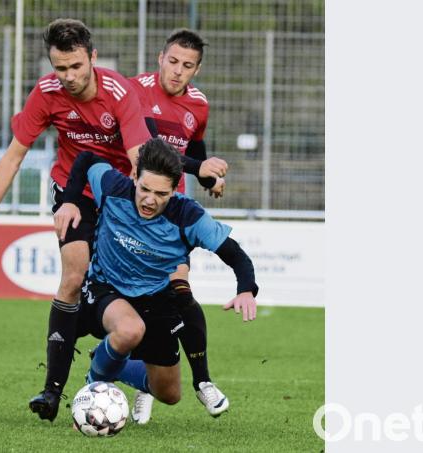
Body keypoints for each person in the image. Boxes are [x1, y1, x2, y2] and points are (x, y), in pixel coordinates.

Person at [0, 19, 224, 423]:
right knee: (73, 277)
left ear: (92, 57)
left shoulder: (119, 93)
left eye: (76, 66)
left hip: (115, 194)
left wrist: (149, 216)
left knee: (151, 288)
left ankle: (132, 360)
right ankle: (52, 391)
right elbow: (14, 155)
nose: (69, 77)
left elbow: (138, 162)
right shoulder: (45, 93)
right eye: (60, 68)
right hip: (71, 194)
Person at [54, 138, 259, 416]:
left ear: (175, 189)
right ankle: (94, 388)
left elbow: (235, 255)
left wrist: (246, 289)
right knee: (129, 329)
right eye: (144, 189)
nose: (150, 200)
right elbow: (86, 159)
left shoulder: (188, 216)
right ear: (134, 176)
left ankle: (113, 362)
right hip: (106, 289)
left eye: (161, 194)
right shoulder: (113, 186)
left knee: (169, 393)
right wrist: (69, 202)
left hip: (157, 300)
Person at [126, 29, 228, 423]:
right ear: (160, 58)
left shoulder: (198, 105)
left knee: (180, 292)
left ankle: (203, 382)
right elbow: (152, 151)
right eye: (173, 61)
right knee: (138, 301)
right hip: (136, 206)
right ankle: (144, 384)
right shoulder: (135, 91)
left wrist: (209, 178)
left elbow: (194, 151)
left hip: (172, 210)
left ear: (197, 69)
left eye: (188, 66)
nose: (178, 71)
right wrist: (199, 167)